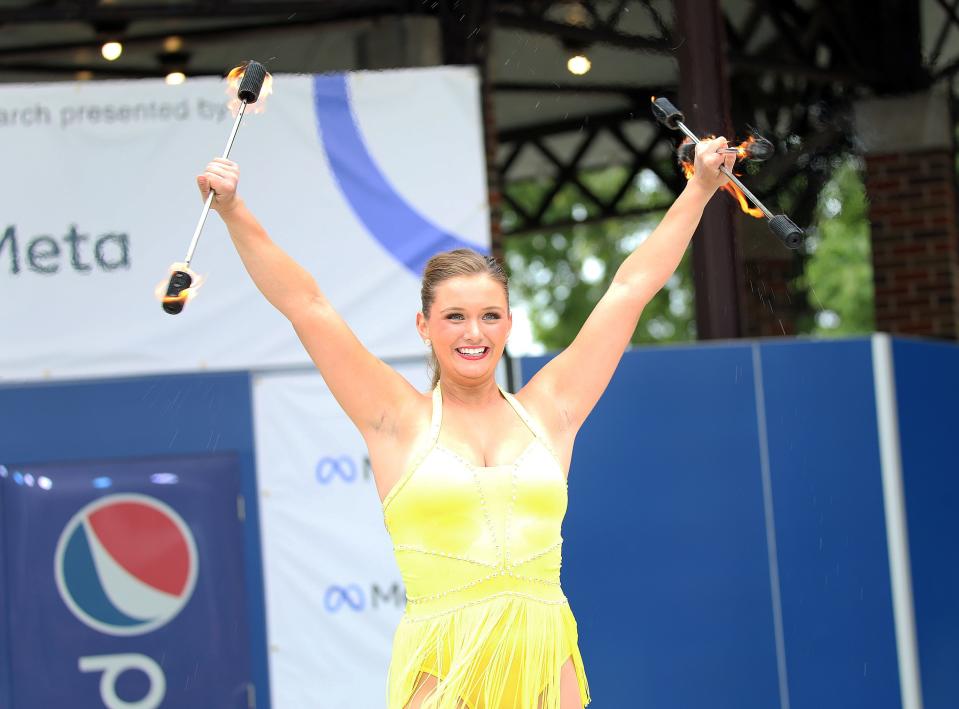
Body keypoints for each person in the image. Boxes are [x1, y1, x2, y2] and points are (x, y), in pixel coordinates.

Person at [198, 136, 736, 709]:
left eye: (489, 316)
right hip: (442, 669)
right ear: (424, 326)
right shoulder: (395, 420)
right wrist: (233, 209)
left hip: (547, 667)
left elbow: (629, 290)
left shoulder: (550, 410)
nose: (473, 333)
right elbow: (309, 306)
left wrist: (699, 189)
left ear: (508, 325)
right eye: (454, 316)